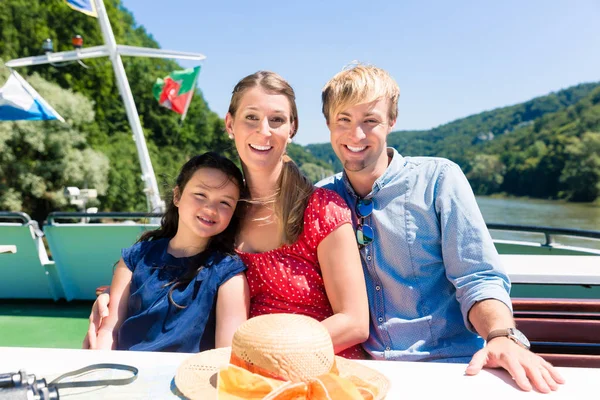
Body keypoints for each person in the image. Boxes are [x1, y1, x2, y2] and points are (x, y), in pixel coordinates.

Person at [85, 71, 370, 359]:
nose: (264, 130)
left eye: (277, 120)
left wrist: (272, 355)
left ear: (292, 128)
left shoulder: (322, 210)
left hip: (321, 365)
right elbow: (172, 263)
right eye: (251, 117)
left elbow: (354, 323)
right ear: (230, 124)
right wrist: (115, 299)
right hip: (241, 370)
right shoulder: (222, 211)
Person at [317, 63, 565, 392]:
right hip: (363, 373)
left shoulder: (438, 179)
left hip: (451, 369)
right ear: (329, 125)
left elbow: (477, 278)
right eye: (343, 121)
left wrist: (500, 335)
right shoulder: (321, 199)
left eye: (370, 121)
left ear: (392, 121)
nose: (356, 135)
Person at [87, 152, 250, 352]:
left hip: (188, 380)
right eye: (200, 195)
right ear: (177, 196)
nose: (211, 208)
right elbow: (109, 331)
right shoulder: (136, 258)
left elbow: (226, 355)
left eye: (225, 202)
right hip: (127, 374)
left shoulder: (228, 275)